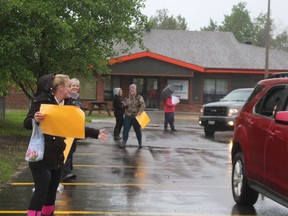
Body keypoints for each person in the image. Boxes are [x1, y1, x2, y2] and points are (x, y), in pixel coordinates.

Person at [23, 74, 108, 216]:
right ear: (60, 88)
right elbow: (26, 123)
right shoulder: (41, 101)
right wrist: (35, 119)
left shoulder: (69, 104)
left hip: (57, 156)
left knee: (52, 189)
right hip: (41, 154)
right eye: (69, 86)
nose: (72, 88)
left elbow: (74, 127)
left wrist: (95, 133)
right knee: (42, 188)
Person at [61, 78, 81, 181]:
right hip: (67, 128)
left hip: (75, 128)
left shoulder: (77, 98)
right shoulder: (67, 98)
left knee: (72, 150)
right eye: (73, 85)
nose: (75, 87)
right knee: (67, 150)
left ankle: (69, 169)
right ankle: (65, 172)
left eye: (77, 86)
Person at [120, 84, 145, 149]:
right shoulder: (127, 98)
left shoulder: (139, 97)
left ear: (135, 90)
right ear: (129, 90)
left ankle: (140, 142)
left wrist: (139, 112)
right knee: (125, 129)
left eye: (133, 89)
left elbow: (143, 105)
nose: (132, 90)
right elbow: (125, 105)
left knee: (137, 130)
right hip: (128, 116)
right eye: (131, 89)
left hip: (136, 116)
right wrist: (123, 105)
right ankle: (124, 142)